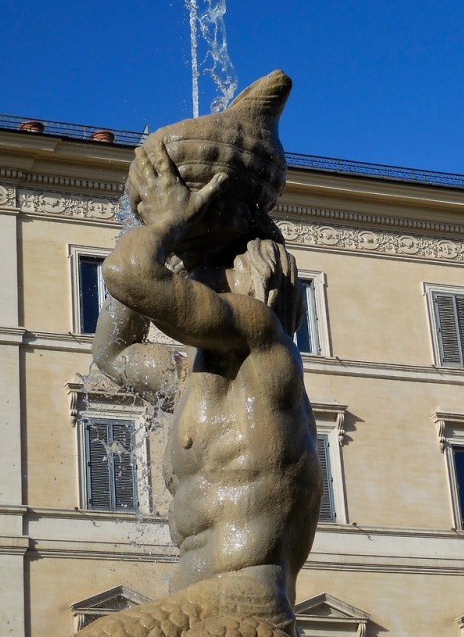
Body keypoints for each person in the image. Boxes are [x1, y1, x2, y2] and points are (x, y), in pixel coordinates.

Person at [81, 135, 322, 637]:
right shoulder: (199, 378)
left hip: (245, 603)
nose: (185, 286)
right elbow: (111, 353)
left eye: (198, 276)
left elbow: (128, 273)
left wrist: (165, 224)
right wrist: (161, 243)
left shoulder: (262, 341)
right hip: (198, 603)